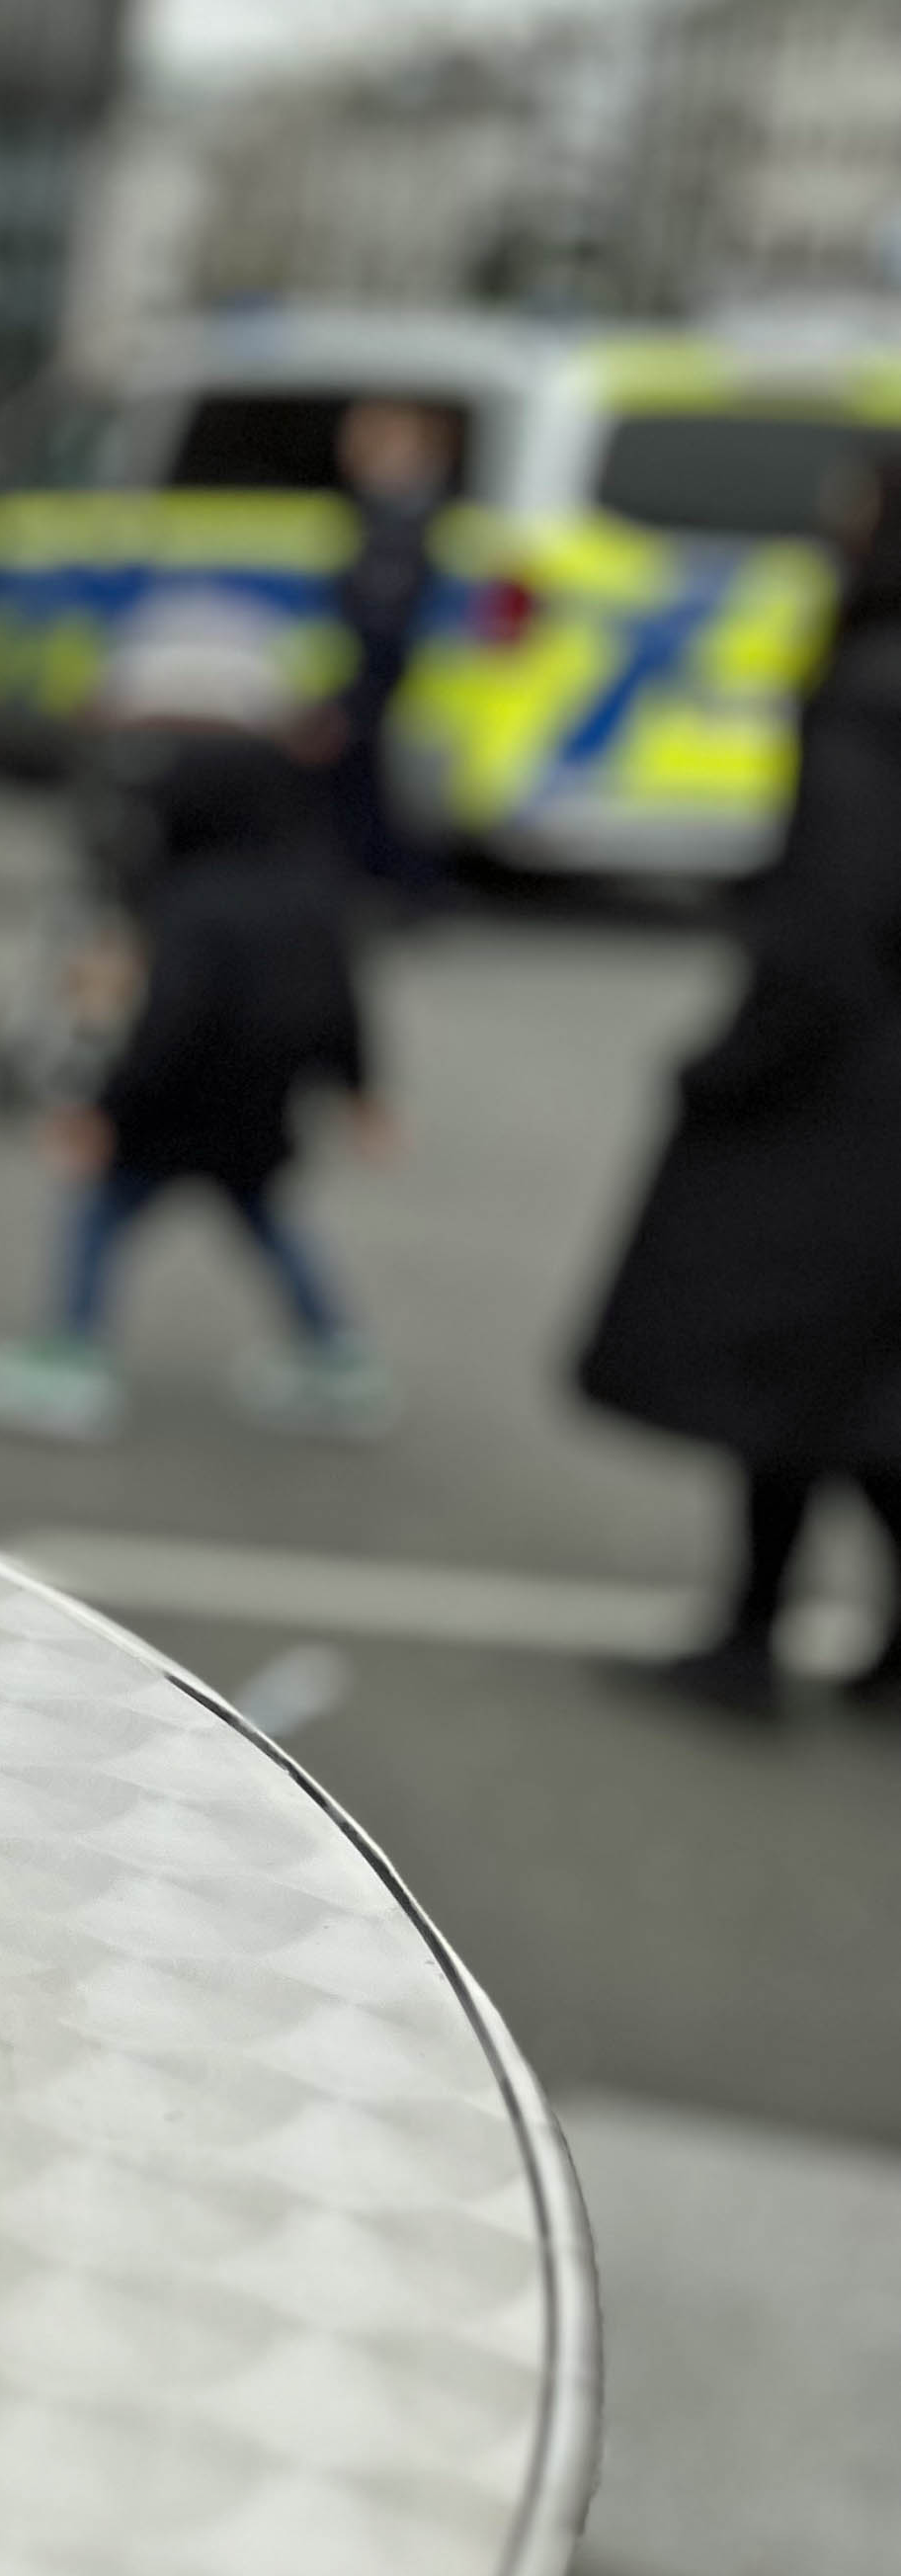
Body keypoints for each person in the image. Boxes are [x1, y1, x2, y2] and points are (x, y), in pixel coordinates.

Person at [576, 448, 901, 1722]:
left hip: (847, 1097)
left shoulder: (870, 692)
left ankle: (747, 1634)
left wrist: (726, 1068)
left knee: (783, 1370)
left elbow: (827, 929)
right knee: (870, 1380)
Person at [0, 598, 399, 1445]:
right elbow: (344, 1001)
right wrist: (361, 1091)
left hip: (170, 1113)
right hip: (261, 1112)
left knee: (95, 1216)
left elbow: (167, 1028)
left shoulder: (191, 908)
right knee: (269, 1223)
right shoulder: (314, 890)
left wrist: (104, 1111)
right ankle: (338, 1359)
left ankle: (71, 1358)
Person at [332, 397, 455, 899]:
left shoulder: (414, 518)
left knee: (396, 785)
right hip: (375, 667)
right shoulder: (369, 513)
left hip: (406, 669)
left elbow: (388, 600)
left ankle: (411, 884)